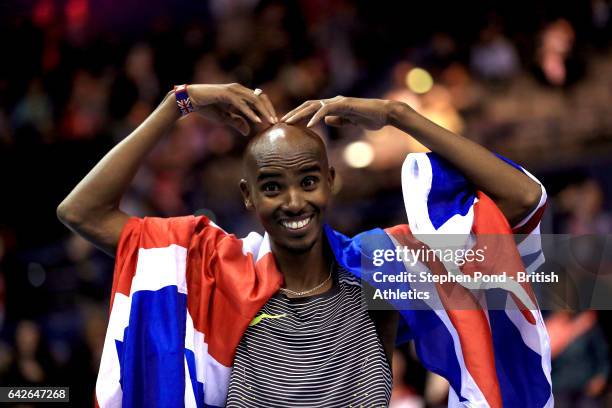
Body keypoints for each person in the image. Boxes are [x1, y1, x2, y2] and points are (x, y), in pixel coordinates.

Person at [58, 84, 547, 407]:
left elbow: (522, 200)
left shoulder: (380, 270)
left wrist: (398, 115)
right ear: (248, 196)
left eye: (309, 180)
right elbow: (81, 212)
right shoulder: (216, 271)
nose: (295, 202)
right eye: (272, 187)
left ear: (331, 182)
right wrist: (179, 103)